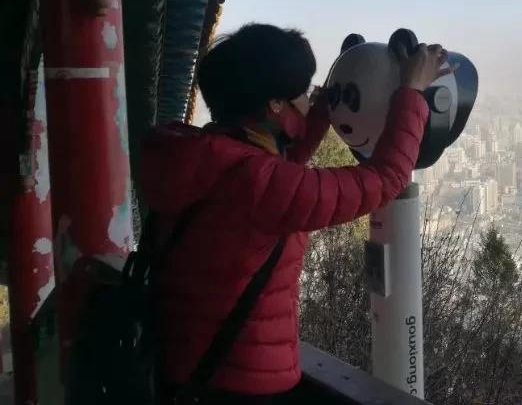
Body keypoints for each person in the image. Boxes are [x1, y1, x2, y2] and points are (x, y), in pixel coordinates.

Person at [140, 23, 454, 403]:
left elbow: (280, 169)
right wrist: (412, 92)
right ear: (274, 105)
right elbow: (385, 180)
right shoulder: (259, 183)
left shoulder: (202, 156)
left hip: (181, 366)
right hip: (244, 382)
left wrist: (321, 108)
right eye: (302, 94)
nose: (310, 98)